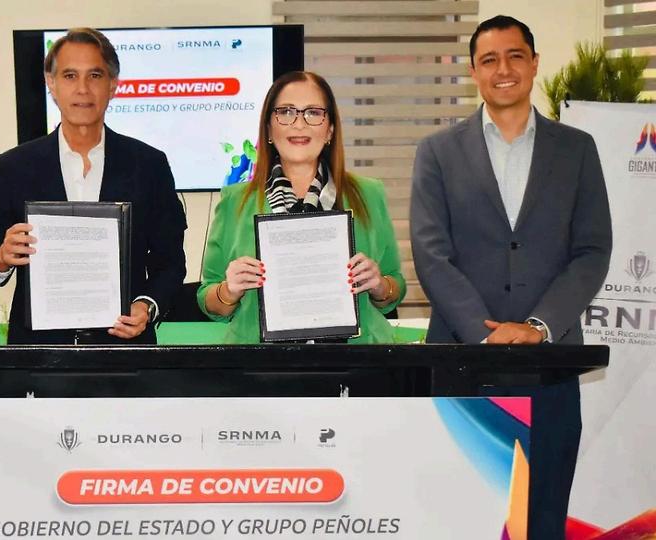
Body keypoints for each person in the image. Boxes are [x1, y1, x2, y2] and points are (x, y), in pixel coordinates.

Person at [410, 15, 612, 539]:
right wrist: (485, 336)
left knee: (542, 520)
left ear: (535, 63)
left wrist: (539, 326)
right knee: (458, 521)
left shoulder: (577, 149)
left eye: (515, 55)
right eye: (489, 59)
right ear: (473, 71)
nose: (503, 69)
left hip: (551, 367)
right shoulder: (437, 152)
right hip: (460, 367)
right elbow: (431, 254)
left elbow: (592, 251)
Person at [0, 28, 186, 344]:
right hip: (39, 355)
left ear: (113, 85)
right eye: (70, 76)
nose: (82, 89)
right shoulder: (16, 166)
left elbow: (170, 263)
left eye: (95, 76)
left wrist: (146, 306)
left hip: (123, 352)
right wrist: (2, 256)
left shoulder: (148, 165)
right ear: (51, 83)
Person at [197, 71, 406, 344]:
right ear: (268, 129)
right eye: (286, 112)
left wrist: (378, 285)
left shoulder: (368, 194)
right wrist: (229, 290)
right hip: (261, 361)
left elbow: (395, 289)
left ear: (330, 129)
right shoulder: (235, 200)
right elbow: (209, 301)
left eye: (313, 113)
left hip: (356, 358)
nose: (299, 124)